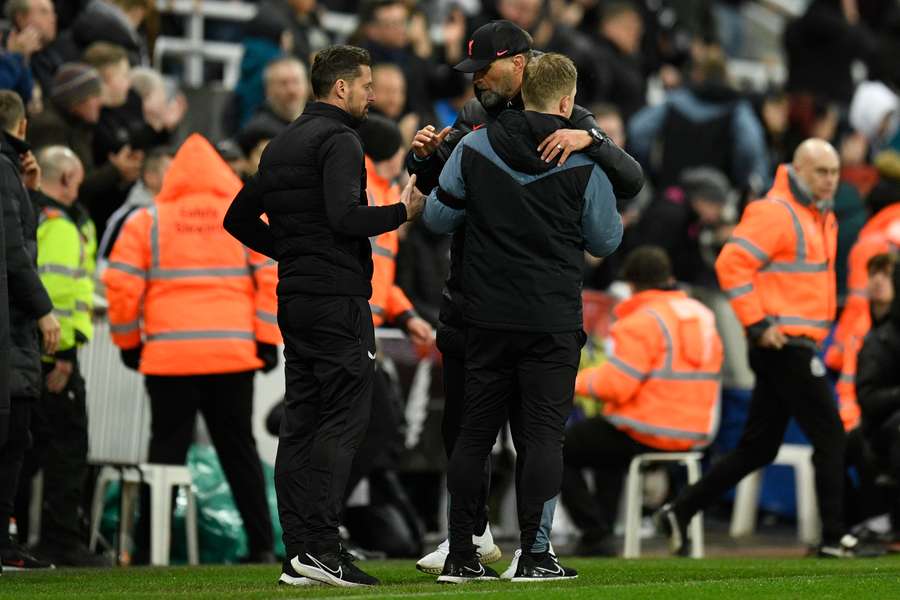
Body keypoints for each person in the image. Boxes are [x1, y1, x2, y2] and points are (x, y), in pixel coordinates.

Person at [407, 19, 643, 576]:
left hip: (481, 312)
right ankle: (534, 553)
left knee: (470, 436)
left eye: (483, 69)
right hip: (550, 316)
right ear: (566, 101)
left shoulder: (474, 141)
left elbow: (437, 216)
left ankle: (461, 553)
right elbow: (606, 239)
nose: (476, 81)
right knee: (541, 439)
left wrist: (474, 198)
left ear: (518, 66)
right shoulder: (579, 152)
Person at [223, 45, 425, 588]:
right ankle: (323, 546)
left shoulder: (281, 143)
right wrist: (400, 213)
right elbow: (344, 216)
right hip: (338, 299)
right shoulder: (340, 139)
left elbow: (238, 218)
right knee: (343, 419)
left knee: (302, 421)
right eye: (365, 85)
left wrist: (290, 251)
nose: (372, 95)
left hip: (296, 299)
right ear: (340, 88)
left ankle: (299, 552)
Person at [656, 138, 866, 558]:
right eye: (821, 172)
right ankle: (832, 537)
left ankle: (680, 509)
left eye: (835, 172)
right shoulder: (776, 212)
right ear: (799, 170)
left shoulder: (818, 216)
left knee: (759, 448)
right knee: (830, 434)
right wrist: (757, 323)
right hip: (784, 344)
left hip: (792, 343)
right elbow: (730, 264)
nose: (830, 181)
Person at [103, 134, 280, 565]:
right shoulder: (242, 219)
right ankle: (260, 545)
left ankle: (146, 548)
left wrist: (129, 342)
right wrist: (265, 339)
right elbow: (271, 278)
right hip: (231, 356)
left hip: (169, 358)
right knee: (238, 450)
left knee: (164, 452)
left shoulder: (148, 221)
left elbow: (122, 285)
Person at [561, 246, 722, 557]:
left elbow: (617, 386)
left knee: (555, 446)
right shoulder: (701, 315)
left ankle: (594, 533)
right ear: (670, 277)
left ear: (631, 284)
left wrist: (570, 383)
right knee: (605, 438)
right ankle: (602, 532)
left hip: (646, 429)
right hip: (695, 432)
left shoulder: (641, 321)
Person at [25, 145, 103, 567]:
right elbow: (57, 293)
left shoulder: (32, 214)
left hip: (29, 354)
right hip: (54, 355)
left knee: (29, 451)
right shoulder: (60, 225)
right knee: (67, 450)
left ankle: (20, 539)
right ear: (68, 178)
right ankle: (60, 541)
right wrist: (64, 354)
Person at [0, 90, 59, 571]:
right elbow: (15, 253)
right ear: (21, 128)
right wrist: (44, 309)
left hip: (15, 329)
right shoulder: (2, 168)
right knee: (14, 433)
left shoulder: (9, 172)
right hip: (13, 327)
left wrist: (31, 192)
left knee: (18, 433)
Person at [27, 62, 143, 238]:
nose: (100, 102)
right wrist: (115, 170)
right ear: (77, 99)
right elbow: (69, 183)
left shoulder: (81, 127)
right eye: (95, 95)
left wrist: (118, 172)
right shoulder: (50, 128)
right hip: (53, 225)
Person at [856, 255, 900, 544]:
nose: (877, 281)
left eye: (885, 274)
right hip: (873, 423)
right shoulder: (872, 334)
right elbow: (867, 397)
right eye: (873, 274)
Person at [242, 57, 310, 135]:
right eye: (283, 83)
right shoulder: (258, 131)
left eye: (296, 82)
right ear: (268, 90)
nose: (292, 90)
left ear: (307, 86)